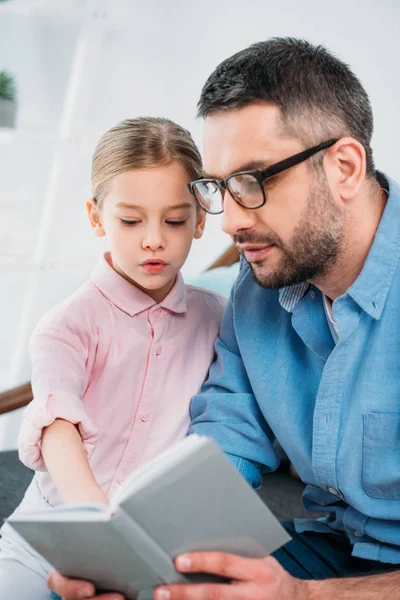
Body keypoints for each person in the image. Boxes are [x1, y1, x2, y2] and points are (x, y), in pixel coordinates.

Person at [49, 37, 400, 600]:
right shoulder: (259, 286)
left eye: (253, 182)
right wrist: (136, 558)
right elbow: (227, 437)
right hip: (332, 544)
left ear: (345, 167)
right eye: (218, 187)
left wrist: (304, 597)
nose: (231, 221)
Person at [0, 117, 226, 600]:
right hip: (49, 533)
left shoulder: (218, 319)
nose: (153, 239)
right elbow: (58, 422)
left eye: (174, 220)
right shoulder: (66, 324)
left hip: (155, 543)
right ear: (97, 216)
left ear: (200, 219)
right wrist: (97, 524)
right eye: (130, 220)